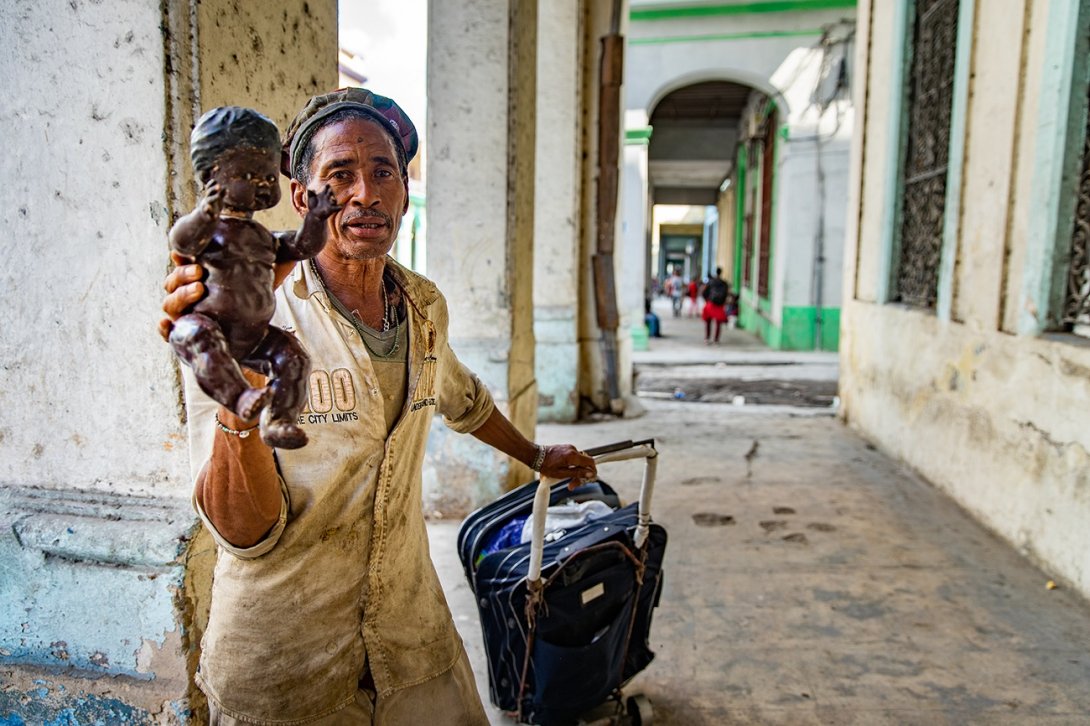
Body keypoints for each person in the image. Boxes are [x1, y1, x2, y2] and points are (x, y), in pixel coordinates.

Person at [159, 88, 598, 725]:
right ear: (303, 197)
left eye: (383, 172)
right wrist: (241, 402)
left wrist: (534, 455)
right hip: (288, 659)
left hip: (409, 630)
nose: (365, 193)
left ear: (404, 191)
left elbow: (461, 396)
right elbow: (242, 531)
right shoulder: (245, 319)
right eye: (339, 175)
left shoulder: (422, 305)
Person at [168, 106, 341, 449]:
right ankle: (240, 396)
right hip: (209, 328)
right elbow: (181, 241)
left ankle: (279, 419)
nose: (262, 185)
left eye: (267, 177)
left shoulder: (263, 237)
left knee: (293, 358)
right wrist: (204, 213)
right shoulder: (210, 231)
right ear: (213, 176)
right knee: (195, 336)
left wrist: (318, 218)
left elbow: (304, 245)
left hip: (256, 336)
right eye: (249, 176)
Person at [700, 267, 730, 344]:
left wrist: (707, 300)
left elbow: (704, 292)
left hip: (710, 303)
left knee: (708, 321)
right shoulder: (724, 283)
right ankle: (716, 339)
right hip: (719, 305)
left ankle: (707, 338)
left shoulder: (710, 282)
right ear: (721, 273)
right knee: (718, 323)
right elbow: (726, 294)